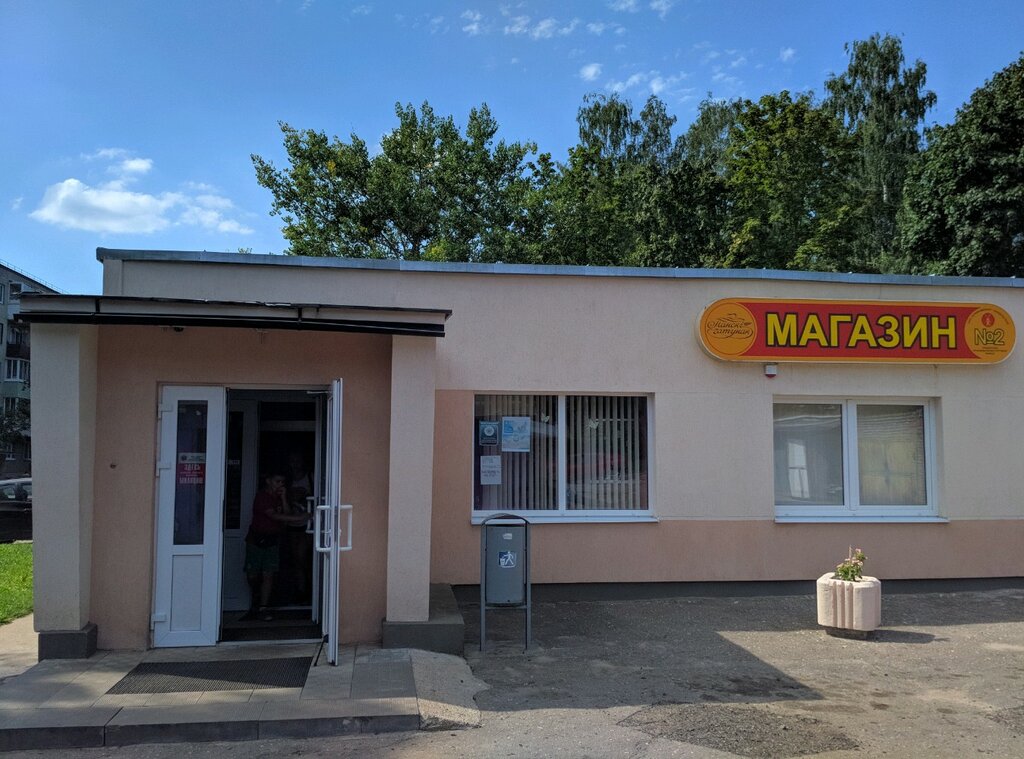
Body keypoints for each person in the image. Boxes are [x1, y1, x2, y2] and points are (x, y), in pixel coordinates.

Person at [245, 472, 310, 620]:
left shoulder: (279, 497)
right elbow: (274, 516)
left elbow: (286, 515)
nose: (280, 484)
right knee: (252, 574)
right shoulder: (262, 497)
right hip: (256, 540)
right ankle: (255, 597)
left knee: (268, 574)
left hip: (273, 540)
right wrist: (300, 517)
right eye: (277, 481)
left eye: (283, 482)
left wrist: (283, 497)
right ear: (268, 481)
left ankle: (263, 607)